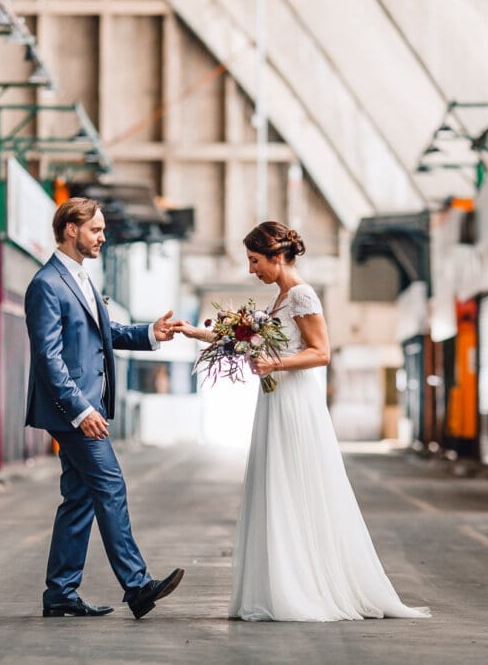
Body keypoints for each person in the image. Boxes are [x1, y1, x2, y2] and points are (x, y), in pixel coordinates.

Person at [173, 221, 430, 622]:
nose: (251, 269)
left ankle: (301, 587)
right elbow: (245, 342)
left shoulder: (303, 295)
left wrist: (275, 362)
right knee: (275, 486)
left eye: (255, 261)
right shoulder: (280, 299)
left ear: (277, 257)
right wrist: (194, 332)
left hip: (295, 402)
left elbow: (321, 352)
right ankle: (281, 583)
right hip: (275, 401)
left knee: (293, 483)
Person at [24, 197, 184, 619]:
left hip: (82, 407)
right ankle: (136, 586)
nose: (102, 237)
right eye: (96, 230)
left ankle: (60, 592)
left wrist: (151, 332)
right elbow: (48, 358)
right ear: (71, 230)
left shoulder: (79, 279)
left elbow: (105, 332)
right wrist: (80, 410)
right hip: (70, 410)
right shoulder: (47, 284)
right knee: (110, 486)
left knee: (79, 498)